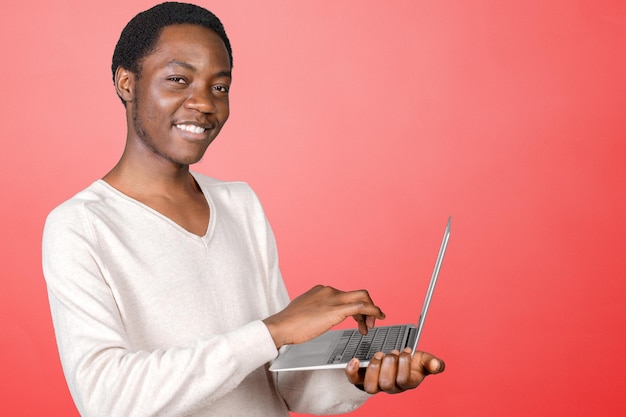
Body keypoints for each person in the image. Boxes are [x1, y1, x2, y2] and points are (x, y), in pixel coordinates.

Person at [42, 2, 445, 416]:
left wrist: (357, 374)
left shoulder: (240, 204)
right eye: (178, 79)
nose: (204, 103)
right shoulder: (80, 226)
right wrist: (271, 331)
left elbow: (280, 382)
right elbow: (107, 400)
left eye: (220, 87)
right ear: (127, 83)